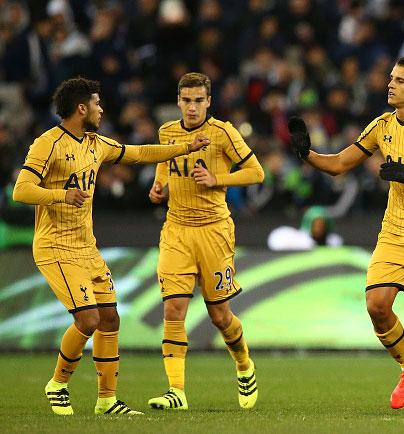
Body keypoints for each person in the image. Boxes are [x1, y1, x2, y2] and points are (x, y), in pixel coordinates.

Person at [12, 77, 208, 416]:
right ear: (81, 108)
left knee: (109, 319)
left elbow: (138, 153)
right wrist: (61, 194)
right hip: (55, 247)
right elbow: (22, 190)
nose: (102, 110)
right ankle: (58, 383)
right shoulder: (48, 144)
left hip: (86, 247)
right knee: (87, 319)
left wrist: (184, 147)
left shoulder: (95, 143)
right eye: (97, 104)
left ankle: (106, 400)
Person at [289, 54, 404, 412]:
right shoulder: (381, 125)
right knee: (376, 304)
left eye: (400, 80)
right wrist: (306, 153)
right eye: (391, 78)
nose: (390, 84)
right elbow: (340, 164)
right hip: (395, 229)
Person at [147, 72, 264, 411]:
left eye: (199, 100)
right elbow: (163, 172)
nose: (193, 107)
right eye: (187, 100)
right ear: (179, 101)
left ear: (209, 101)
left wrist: (217, 179)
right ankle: (177, 391)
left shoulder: (223, 133)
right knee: (173, 308)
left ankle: (244, 365)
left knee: (220, 316)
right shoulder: (167, 132)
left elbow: (257, 172)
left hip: (214, 231)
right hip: (176, 231)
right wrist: (158, 190)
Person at [267, 205, 343, 250]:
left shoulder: (334, 242)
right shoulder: (300, 241)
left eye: (321, 225)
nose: (319, 228)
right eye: (316, 225)